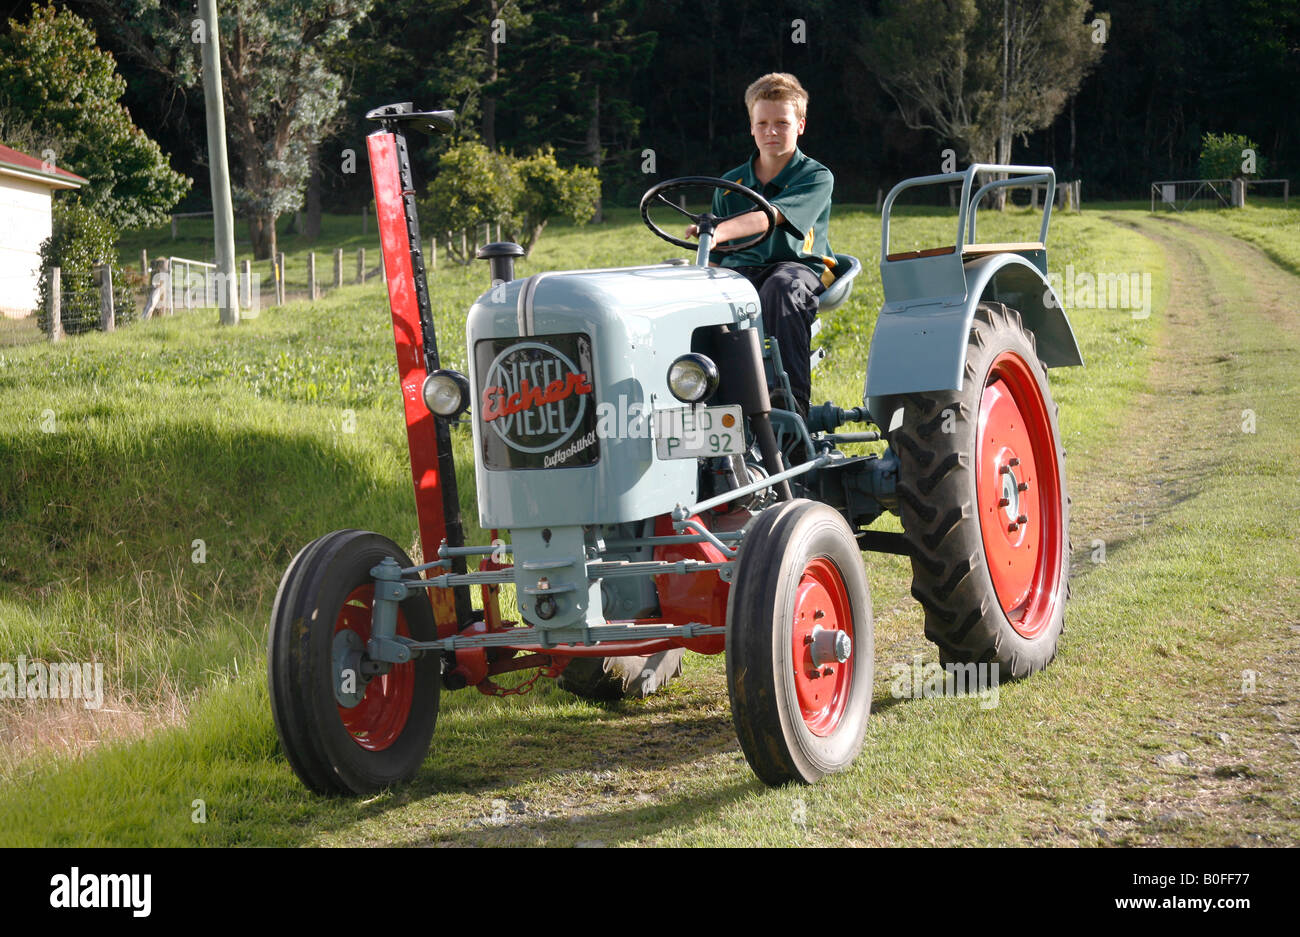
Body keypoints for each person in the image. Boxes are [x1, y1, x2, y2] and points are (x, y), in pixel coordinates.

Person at [686, 72, 836, 420]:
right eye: (763, 123)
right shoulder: (729, 184)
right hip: (741, 271)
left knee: (781, 288)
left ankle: (789, 409)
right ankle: (702, 400)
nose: (771, 131)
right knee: (696, 295)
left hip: (797, 268)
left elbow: (771, 217)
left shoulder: (815, 176)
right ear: (751, 127)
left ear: (800, 125)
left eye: (782, 122)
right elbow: (717, 258)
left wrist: (719, 229)